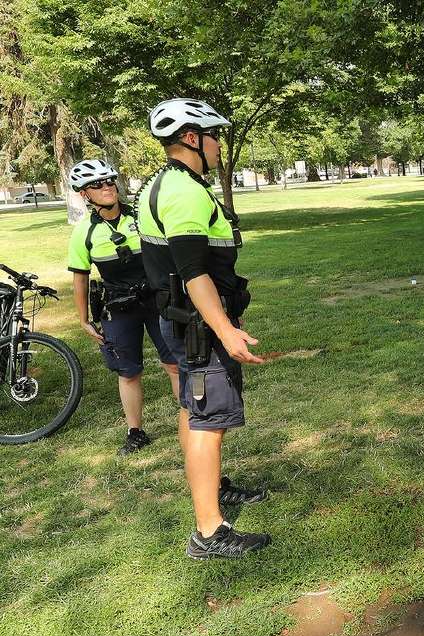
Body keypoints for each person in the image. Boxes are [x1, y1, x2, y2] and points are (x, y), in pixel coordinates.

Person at [138, 98, 271, 560]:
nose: (218, 146)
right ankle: (209, 532)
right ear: (192, 138)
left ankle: (213, 488)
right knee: (208, 420)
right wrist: (226, 330)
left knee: (193, 410)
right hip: (199, 327)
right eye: (214, 136)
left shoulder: (165, 185)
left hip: (184, 321)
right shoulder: (184, 192)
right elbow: (194, 272)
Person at [65, 159, 180, 455]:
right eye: (97, 185)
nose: (106, 187)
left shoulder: (141, 217)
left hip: (157, 300)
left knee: (175, 364)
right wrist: (83, 319)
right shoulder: (83, 232)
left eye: (109, 181)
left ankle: (192, 421)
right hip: (119, 307)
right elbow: (80, 278)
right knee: (128, 372)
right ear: (83, 194)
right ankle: (135, 431)